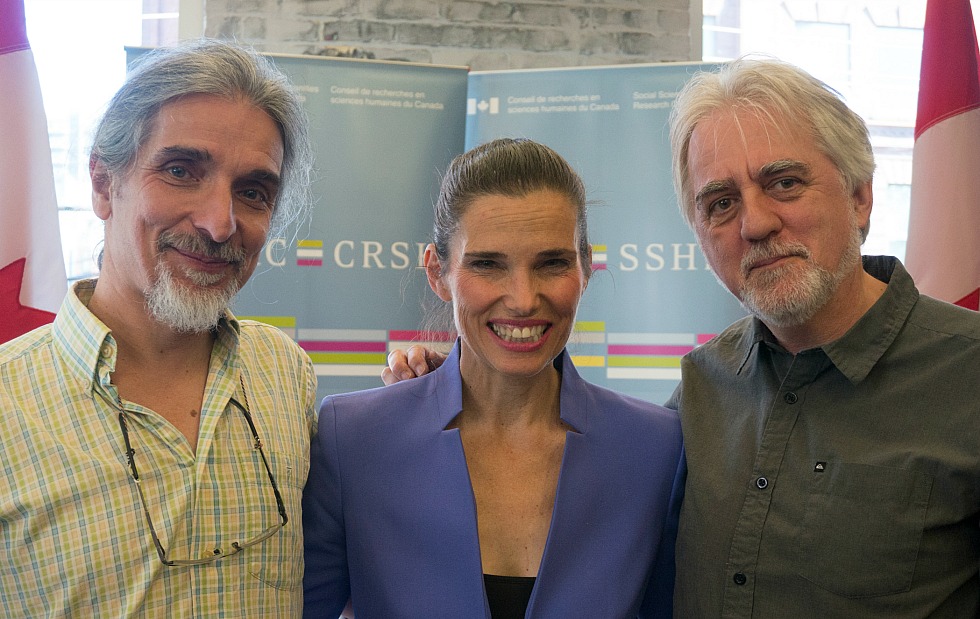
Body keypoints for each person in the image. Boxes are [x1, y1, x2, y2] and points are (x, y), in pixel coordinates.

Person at [385, 58, 980, 617]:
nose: (756, 223)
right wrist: (464, 382)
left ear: (860, 196)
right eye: (720, 203)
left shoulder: (966, 378)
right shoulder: (701, 389)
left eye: (785, 184)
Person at [302, 138, 684, 618]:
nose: (523, 299)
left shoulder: (655, 449)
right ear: (437, 272)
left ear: (585, 267)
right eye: (487, 264)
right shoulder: (353, 439)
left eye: (552, 263)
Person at [0, 39, 317, 616]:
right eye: (180, 171)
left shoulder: (285, 373)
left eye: (252, 192)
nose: (220, 223)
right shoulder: (8, 400)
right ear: (103, 184)